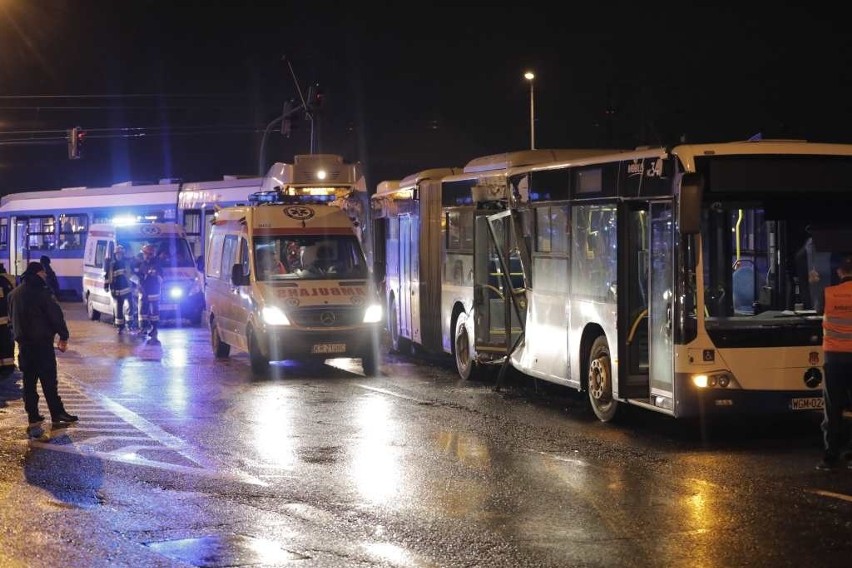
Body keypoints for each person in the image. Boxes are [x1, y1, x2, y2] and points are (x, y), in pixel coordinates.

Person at [7, 261, 77, 429]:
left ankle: (33, 416)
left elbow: (10, 320)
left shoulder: (13, 294)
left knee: (29, 382)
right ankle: (57, 413)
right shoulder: (42, 292)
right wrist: (64, 336)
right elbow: (55, 315)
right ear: (39, 273)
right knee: (49, 381)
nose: (45, 276)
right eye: (44, 273)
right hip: (42, 345)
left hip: (24, 345)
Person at [816, 255, 852, 471]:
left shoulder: (828, 294)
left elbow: (819, 312)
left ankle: (831, 456)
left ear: (839, 272)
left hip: (834, 358)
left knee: (833, 407)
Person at [134, 244, 162, 340]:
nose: (146, 256)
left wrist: (151, 274)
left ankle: (154, 329)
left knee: (154, 312)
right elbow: (136, 276)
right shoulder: (141, 263)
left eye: (148, 254)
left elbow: (159, 276)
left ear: (152, 254)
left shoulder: (156, 264)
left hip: (153, 290)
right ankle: (143, 328)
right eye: (145, 254)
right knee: (142, 312)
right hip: (143, 290)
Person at [104, 245, 133, 333]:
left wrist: (134, 286)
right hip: (116, 290)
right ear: (115, 255)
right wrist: (106, 286)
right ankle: (120, 327)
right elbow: (107, 276)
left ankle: (129, 324)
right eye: (117, 254)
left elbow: (131, 275)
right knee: (118, 309)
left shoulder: (126, 263)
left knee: (130, 307)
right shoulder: (112, 265)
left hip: (127, 289)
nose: (119, 256)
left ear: (123, 254)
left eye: (120, 254)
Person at [0, 263, 16, 378]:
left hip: (4, 319)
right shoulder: (10, 279)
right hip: (8, 320)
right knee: (7, 344)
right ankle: (8, 366)